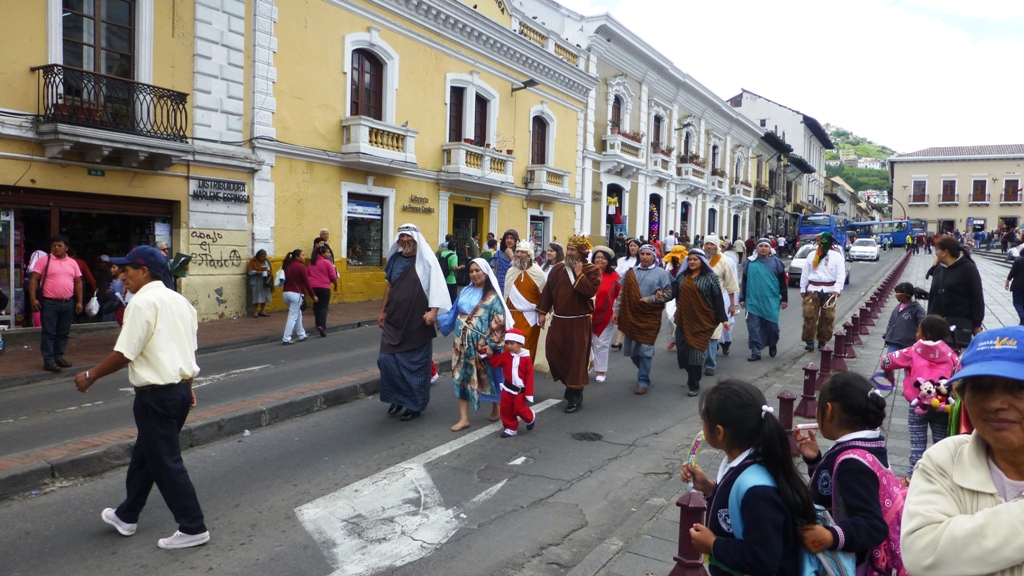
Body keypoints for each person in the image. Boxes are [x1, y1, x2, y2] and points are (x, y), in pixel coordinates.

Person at [73, 245, 209, 550]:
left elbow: (124, 353)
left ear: (144, 271)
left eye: (127, 270)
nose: (122, 276)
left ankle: (193, 526)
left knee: (165, 462)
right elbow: (187, 349)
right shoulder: (181, 302)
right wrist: (188, 388)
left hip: (156, 397)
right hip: (178, 393)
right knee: (146, 455)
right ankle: (127, 515)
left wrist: (90, 375)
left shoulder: (142, 303)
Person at [901, 326, 1024, 576]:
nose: (995, 404)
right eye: (980, 388)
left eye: (1018, 387)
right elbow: (923, 554)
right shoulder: (944, 460)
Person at [682, 379, 816, 576]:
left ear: (719, 432)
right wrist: (711, 489)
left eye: (704, 421)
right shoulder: (748, 462)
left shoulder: (758, 491)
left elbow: (763, 559)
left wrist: (713, 545)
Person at [793, 371, 891, 572]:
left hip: (845, 562)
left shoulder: (853, 463)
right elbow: (836, 489)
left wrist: (831, 537)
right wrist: (815, 461)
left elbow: (874, 525)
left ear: (827, 411)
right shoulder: (868, 444)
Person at [377, 224, 450, 422]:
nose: (405, 240)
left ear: (416, 239)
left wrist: (434, 311)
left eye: (409, 237)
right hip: (394, 319)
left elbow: (437, 287)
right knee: (386, 360)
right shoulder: (394, 260)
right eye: (402, 237)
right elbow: (390, 286)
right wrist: (382, 310)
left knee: (415, 365)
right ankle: (397, 398)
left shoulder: (426, 261)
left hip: (417, 321)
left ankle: (414, 404)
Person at [882, 315, 961, 480]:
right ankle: (942, 479)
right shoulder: (952, 356)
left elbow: (888, 361)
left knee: (917, 447)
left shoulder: (912, 351)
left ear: (926, 334)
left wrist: (887, 371)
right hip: (942, 407)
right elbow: (959, 375)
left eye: (918, 331)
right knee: (942, 445)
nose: (916, 334)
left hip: (917, 407)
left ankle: (913, 479)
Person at [437, 258, 510, 430]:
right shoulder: (465, 292)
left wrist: (492, 345)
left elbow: (499, 322)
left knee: (490, 377)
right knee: (461, 377)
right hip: (462, 344)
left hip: (484, 346)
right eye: (471, 271)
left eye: (478, 270)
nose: (474, 274)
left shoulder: (493, 296)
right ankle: (464, 418)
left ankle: (496, 407)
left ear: (486, 273)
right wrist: (437, 319)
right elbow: (454, 312)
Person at [647, 249, 728, 396]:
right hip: (684, 320)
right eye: (689, 259)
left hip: (703, 321)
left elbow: (718, 300)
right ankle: (693, 375)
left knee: (696, 353)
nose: (691, 262)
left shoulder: (711, 278)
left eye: (695, 259)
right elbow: (671, 294)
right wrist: (653, 299)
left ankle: (694, 383)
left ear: (702, 262)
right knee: (684, 352)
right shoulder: (682, 278)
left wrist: (724, 319)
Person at [537, 234, 602, 413]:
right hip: (559, 320)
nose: (569, 252)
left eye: (573, 250)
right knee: (553, 353)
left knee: (576, 359)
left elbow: (589, 292)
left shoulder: (593, 270)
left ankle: (575, 395)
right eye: (568, 249)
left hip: (578, 322)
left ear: (581, 252)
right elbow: (548, 291)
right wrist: (542, 312)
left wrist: (579, 274)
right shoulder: (558, 268)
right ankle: (570, 384)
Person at [612, 244, 672, 395]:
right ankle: (643, 371)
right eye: (642, 254)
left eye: (648, 254)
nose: (645, 257)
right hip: (631, 314)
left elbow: (670, 293)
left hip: (650, 316)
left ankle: (643, 380)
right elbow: (622, 294)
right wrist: (617, 310)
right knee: (633, 352)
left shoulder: (661, 273)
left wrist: (652, 299)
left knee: (645, 349)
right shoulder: (630, 272)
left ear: (654, 256)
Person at [28, 235, 83, 372]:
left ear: (66, 247)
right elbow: (34, 280)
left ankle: (59, 357)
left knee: (63, 332)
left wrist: (80, 301)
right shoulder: (44, 261)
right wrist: (33, 299)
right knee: (49, 332)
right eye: (54, 245)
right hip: (50, 303)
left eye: (59, 245)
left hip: (68, 303)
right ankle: (49, 361)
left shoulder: (73, 263)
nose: (56, 248)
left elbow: (78, 282)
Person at [926, 236, 985, 349]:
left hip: (960, 325)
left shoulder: (968, 268)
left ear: (945, 252)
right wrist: (928, 320)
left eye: (938, 250)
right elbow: (932, 298)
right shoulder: (939, 270)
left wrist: (977, 324)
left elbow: (977, 298)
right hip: (938, 325)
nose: (936, 253)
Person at [739, 238, 788, 362]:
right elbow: (744, 281)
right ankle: (755, 351)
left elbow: (783, 283)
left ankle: (772, 343)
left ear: (770, 248)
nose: (763, 248)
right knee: (753, 327)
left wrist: (784, 299)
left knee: (772, 327)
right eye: (760, 246)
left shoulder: (777, 263)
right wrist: (742, 298)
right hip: (752, 300)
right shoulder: (750, 263)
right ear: (756, 248)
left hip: (771, 300)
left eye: (766, 246)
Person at [484, 327, 536, 438]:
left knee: (519, 409)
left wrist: (529, 394)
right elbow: (496, 361)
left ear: (520, 343)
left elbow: (529, 377)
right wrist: (490, 356)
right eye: (507, 343)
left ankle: (530, 417)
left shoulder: (526, 359)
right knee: (506, 408)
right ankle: (510, 428)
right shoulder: (506, 356)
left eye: (512, 343)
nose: (509, 346)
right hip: (507, 388)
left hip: (519, 390)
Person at [799, 232, 846, 352]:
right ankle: (809, 340)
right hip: (813, 289)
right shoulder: (811, 255)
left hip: (830, 290)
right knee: (809, 316)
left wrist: (837, 289)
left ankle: (822, 340)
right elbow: (805, 272)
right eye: (821, 241)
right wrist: (802, 288)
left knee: (827, 317)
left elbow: (841, 274)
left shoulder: (836, 256)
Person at [702, 235, 739, 372]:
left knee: (714, 332)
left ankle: (710, 364)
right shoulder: (699, 259)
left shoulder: (723, 261)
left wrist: (732, 304)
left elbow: (731, 284)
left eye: (712, 244)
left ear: (717, 246)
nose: (709, 247)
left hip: (718, 300)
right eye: (707, 244)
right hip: (700, 300)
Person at [504, 240, 547, 358]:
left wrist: (542, 314)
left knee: (526, 350)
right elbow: (506, 294)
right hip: (511, 318)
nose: (519, 254)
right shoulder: (511, 271)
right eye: (517, 252)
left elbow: (545, 297)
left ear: (529, 255)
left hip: (530, 319)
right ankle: (509, 375)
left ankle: (524, 375)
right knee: (509, 349)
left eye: (523, 252)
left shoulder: (538, 273)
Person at [590, 245, 620, 383]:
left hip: (605, 315)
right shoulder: (587, 272)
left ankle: (600, 371)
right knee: (584, 343)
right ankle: (586, 365)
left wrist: (618, 312)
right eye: (597, 257)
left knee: (601, 344)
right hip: (585, 314)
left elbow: (620, 295)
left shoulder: (615, 277)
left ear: (608, 261)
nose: (600, 260)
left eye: (603, 258)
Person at [280, 248, 317, 344]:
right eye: (303, 255)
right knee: (293, 316)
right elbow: (306, 283)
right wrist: (313, 295)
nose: (304, 257)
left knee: (298, 314)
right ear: (297, 257)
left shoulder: (287, 266)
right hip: (296, 294)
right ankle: (286, 338)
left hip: (286, 293)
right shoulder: (301, 267)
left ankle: (301, 334)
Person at [612, 238, 641, 351]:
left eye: (635, 246)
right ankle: (618, 340)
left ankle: (635, 337)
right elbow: (617, 274)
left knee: (634, 315)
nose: (632, 248)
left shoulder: (640, 261)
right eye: (630, 246)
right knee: (622, 313)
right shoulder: (622, 260)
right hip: (623, 289)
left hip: (636, 291)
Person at [308, 244, 339, 337]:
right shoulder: (327, 263)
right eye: (327, 252)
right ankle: (322, 325)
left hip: (313, 287)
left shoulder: (311, 263)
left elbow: (307, 274)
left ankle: (317, 324)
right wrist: (336, 285)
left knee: (317, 306)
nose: (329, 254)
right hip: (324, 287)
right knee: (324, 307)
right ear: (322, 253)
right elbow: (333, 276)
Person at [246, 249, 273, 318]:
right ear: (258, 256)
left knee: (264, 295)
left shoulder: (267, 262)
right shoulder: (253, 261)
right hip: (256, 280)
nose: (262, 258)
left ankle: (262, 310)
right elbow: (249, 271)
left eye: (264, 257)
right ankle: (255, 311)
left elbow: (270, 270)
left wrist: (268, 272)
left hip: (265, 280)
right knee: (256, 296)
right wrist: (256, 272)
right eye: (261, 257)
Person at [493, 229, 519, 294]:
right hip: (500, 288)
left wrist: (511, 255)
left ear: (516, 240)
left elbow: (521, 269)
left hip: (514, 289)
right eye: (507, 238)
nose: (509, 240)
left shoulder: (520, 255)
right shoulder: (498, 254)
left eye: (511, 238)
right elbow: (491, 272)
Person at [1005, 250, 1024, 325]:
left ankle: (1022, 317)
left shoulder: (1018, 261)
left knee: (1017, 303)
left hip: (1018, 285)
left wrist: (1007, 280)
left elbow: (1013, 271)